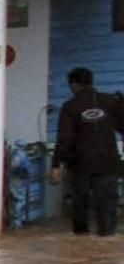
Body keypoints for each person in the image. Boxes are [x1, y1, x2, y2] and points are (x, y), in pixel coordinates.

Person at [51, 66, 123, 236]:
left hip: (80, 164)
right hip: (108, 162)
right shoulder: (111, 101)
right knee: (107, 204)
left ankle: (81, 241)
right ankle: (106, 238)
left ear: (73, 85)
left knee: (80, 204)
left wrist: (55, 165)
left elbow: (65, 139)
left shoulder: (70, 107)